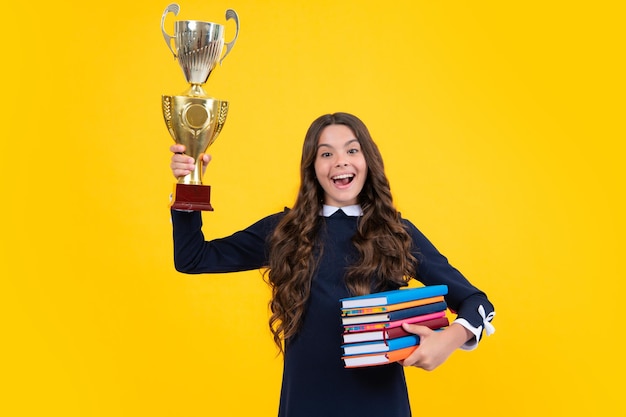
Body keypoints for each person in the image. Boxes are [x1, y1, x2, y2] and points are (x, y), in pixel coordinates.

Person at [169, 112, 495, 417]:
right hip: (304, 406)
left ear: (368, 160)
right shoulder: (284, 231)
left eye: (352, 150)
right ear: (312, 167)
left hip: (381, 407)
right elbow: (193, 258)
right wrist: (189, 182)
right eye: (326, 154)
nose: (340, 161)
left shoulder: (397, 234)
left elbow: (476, 302)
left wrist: (448, 340)